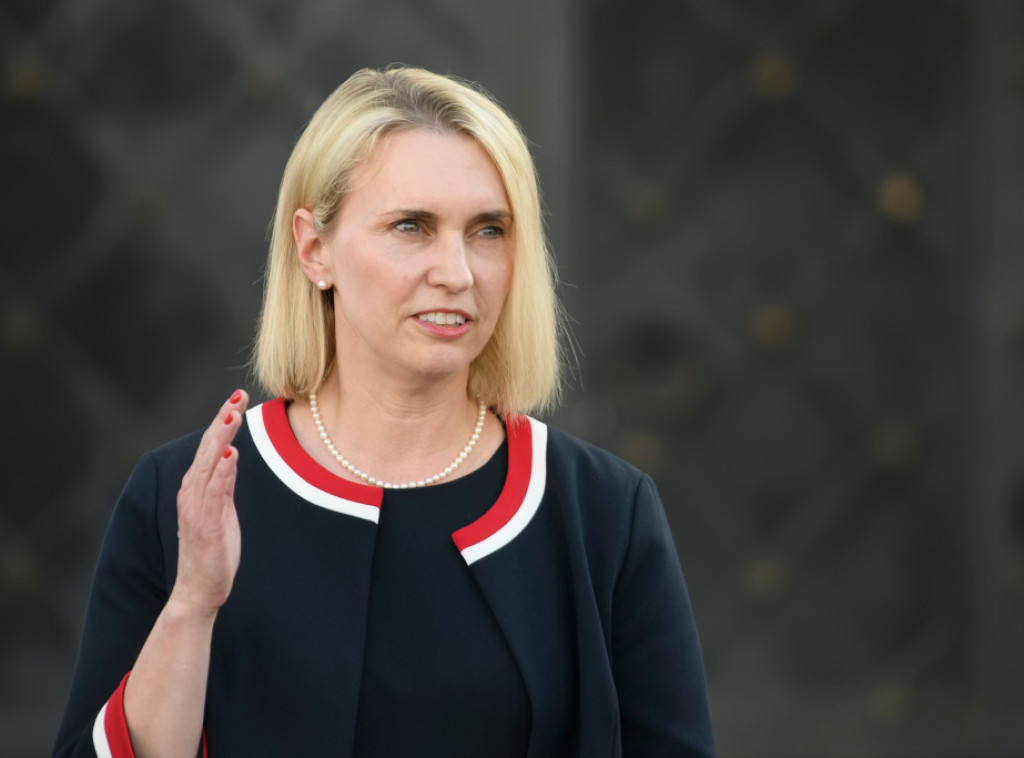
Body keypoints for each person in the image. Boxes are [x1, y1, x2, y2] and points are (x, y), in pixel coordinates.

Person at [53, 66, 716, 757]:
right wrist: (192, 605)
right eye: (411, 226)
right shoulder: (182, 497)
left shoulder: (602, 513)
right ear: (314, 250)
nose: (457, 273)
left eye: (488, 230)